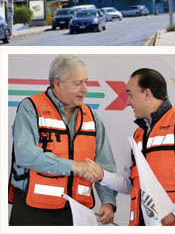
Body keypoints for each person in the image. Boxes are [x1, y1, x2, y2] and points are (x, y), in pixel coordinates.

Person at [8, 55, 117, 226]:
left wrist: (108, 201)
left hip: (77, 213)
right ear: (57, 84)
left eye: (86, 82)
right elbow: (25, 154)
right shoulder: (31, 108)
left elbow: (105, 166)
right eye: (78, 83)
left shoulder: (92, 117)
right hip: (33, 212)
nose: (85, 89)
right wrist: (74, 166)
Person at [95, 68, 175, 226]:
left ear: (147, 93)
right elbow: (128, 183)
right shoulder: (139, 135)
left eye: (130, 94)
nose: (127, 102)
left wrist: (173, 214)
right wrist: (100, 174)